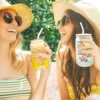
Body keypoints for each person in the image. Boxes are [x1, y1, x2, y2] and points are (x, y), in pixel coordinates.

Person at [0, 0, 52, 100]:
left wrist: (45, 74)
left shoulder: (27, 59)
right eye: (8, 18)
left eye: (18, 20)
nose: (15, 23)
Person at [53, 0, 100, 100]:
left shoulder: (98, 54)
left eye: (65, 20)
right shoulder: (61, 57)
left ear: (84, 25)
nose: (59, 26)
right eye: (60, 22)